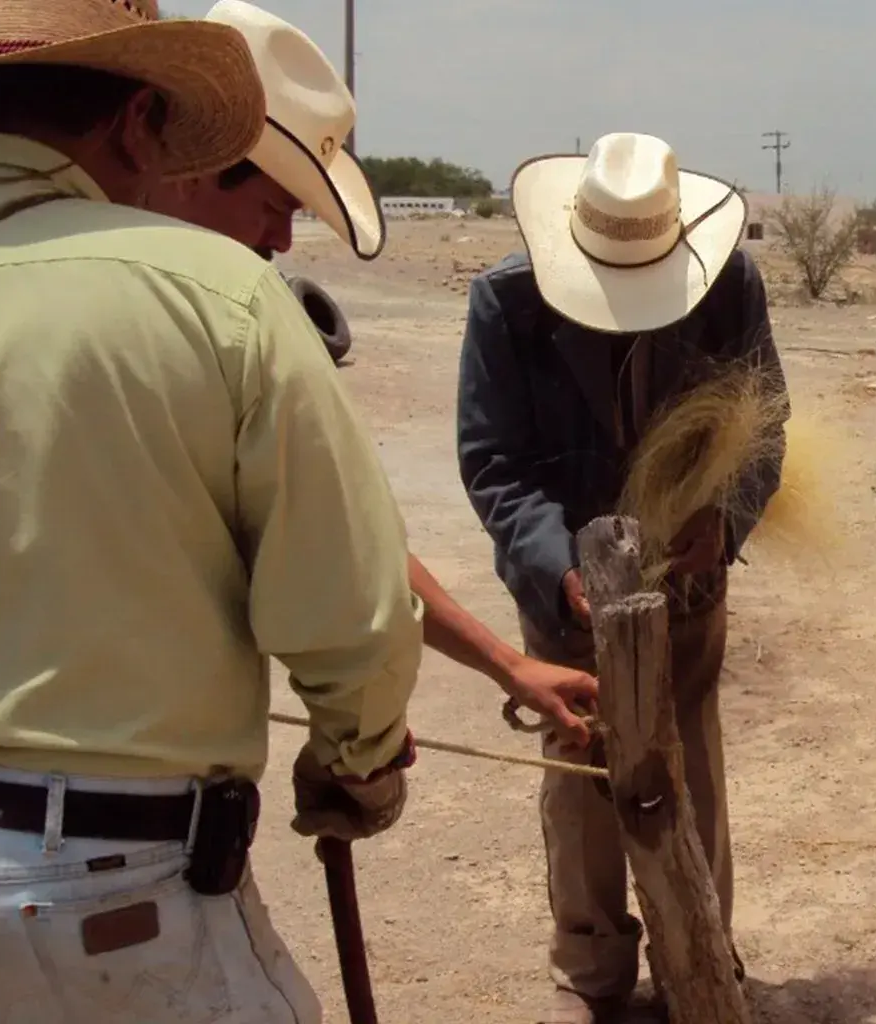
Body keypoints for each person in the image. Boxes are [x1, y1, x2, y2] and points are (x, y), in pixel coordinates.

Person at [0, 1, 423, 1020]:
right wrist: (356, 762)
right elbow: (346, 605)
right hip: (99, 880)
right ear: (136, 118)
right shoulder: (221, 297)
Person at [146, 0, 599, 745]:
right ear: (197, 164)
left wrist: (505, 664)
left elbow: (354, 540)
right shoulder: (233, 317)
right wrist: (361, 739)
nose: (282, 240)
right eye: (273, 205)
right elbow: (341, 582)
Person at [457, 131, 788, 1023]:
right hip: (565, 600)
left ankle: (703, 953)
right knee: (582, 781)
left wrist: (724, 518)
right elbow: (495, 465)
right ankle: (592, 966)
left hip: (690, 598)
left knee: (693, 772)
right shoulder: (505, 304)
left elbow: (766, 429)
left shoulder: (731, 289)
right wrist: (560, 566)